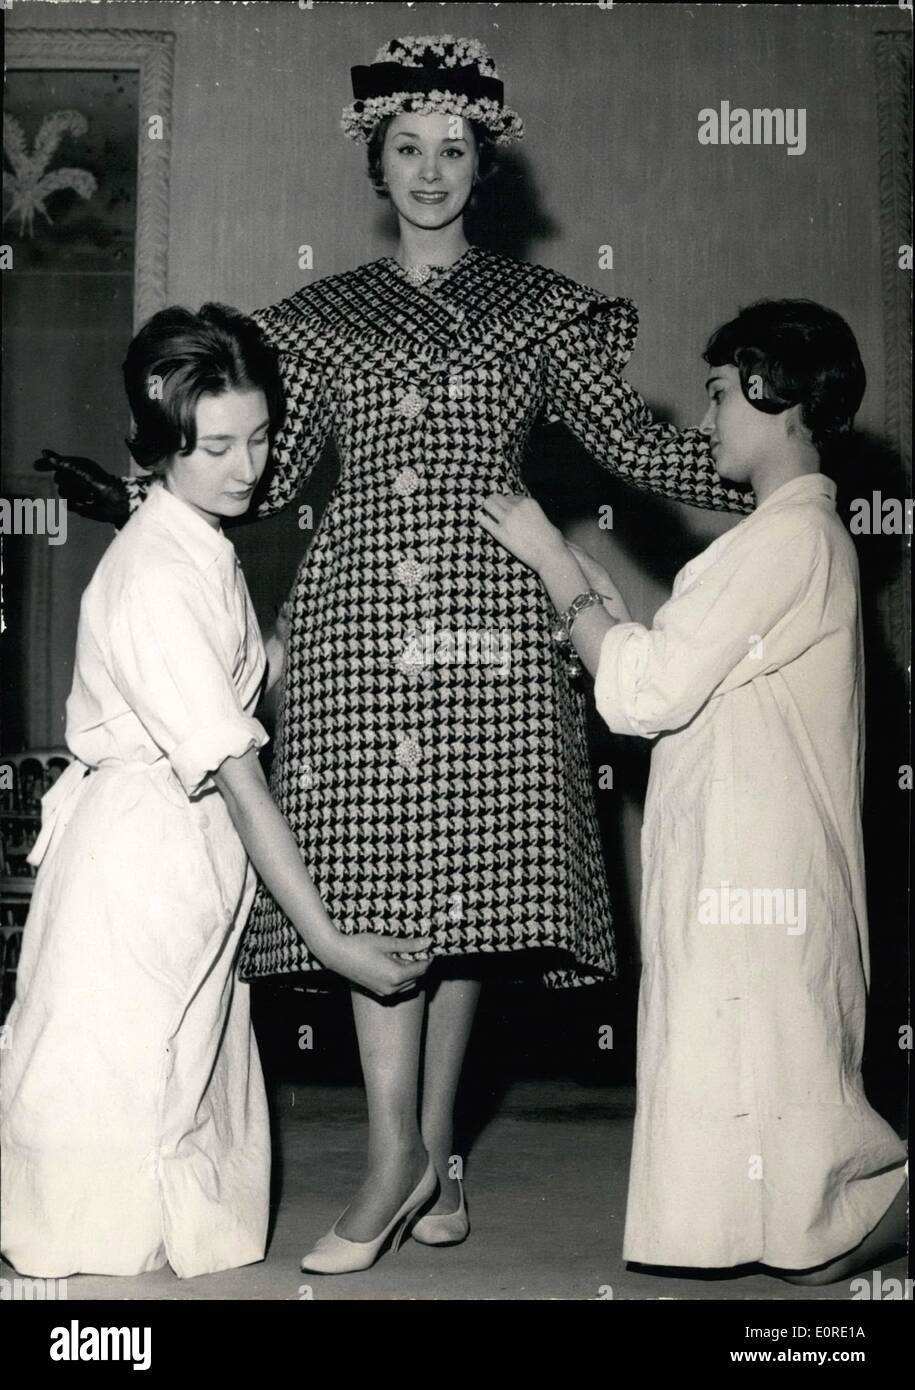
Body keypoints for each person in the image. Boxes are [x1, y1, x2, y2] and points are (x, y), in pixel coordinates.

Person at [38, 34, 752, 1275]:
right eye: (408, 148)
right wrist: (143, 489)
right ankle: (388, 1156)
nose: (430, 171)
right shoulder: (318, 320)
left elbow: (636, 443)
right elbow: (263, 476)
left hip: (494, 617)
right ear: (376, 163)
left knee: (463, 896)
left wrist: (783, 485)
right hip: (359, 618)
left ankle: (434, 1147)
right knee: (378, 884)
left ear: (485, 164)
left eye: (454, 149)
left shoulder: (542, 309)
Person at [478, 298, 907, 1282]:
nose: (705, 420)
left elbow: (644, 693)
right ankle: (791, 1226)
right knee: (750, 1068)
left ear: (770, 390)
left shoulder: (787, 543)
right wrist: (580, 578)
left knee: (782, 1078)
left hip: (759, 865)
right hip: (739, 853)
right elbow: (665, 664)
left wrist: (551, 563)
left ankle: (870, 1207)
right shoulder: (777, 543)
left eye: (719, 395)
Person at [1, 304, 430, 1281]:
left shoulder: (198, 539)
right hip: (138, 859)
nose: (249, 468)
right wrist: (331, 942)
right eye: (219, 446)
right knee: (109, 1088)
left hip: (185, 851)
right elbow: (240, 776)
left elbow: (251, 678)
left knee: (178, 1071)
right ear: (160, 445)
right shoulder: (156, 572)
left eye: (262, 436)